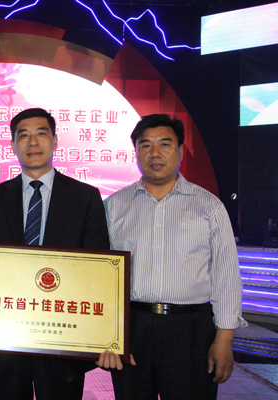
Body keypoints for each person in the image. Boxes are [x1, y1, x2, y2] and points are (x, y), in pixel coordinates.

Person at [0, 108, 123, 400]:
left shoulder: (85, 197)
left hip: (63, 340)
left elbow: (98, 273)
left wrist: (105, 334)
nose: (33, 142)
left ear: (55, 141)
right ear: (12, 145)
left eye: (41, 133)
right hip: (7, 339)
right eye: (24, 135)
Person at [105, 114, 246, 399]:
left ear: (180, 151)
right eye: (145, 145)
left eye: (164, 144)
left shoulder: (209, 206)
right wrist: (107, 336)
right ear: (135, 152)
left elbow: (226, 277)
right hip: (132, 327)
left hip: (191, 331)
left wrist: (224, 340)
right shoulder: (114, 206)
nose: (154, 153)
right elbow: (102, 277)